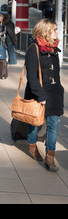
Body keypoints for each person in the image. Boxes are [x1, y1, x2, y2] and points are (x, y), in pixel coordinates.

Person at [25, 18, 64, 172]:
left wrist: (60, 90)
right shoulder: (33, 49)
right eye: (54, 30)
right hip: (38, 93)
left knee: (53, 125)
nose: (57, 32)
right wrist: (40, 95)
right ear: (46, 31)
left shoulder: (54, 48)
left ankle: (50, 156)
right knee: (35, 123)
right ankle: (32, 145)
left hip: (54, 93)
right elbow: (32, 77)